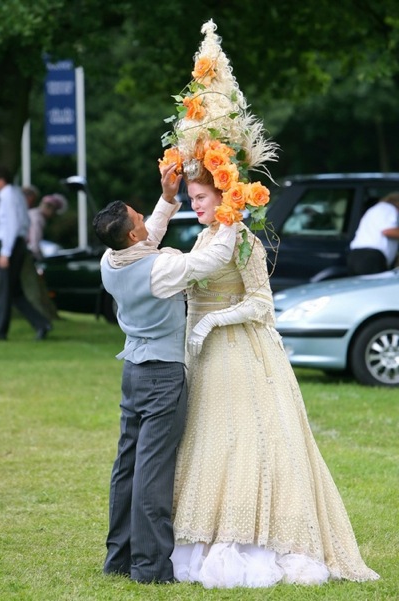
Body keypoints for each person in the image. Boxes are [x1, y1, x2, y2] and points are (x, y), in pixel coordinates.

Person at [158, 20, 380, 588]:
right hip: (203, 356)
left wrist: (213, 323)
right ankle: (202, 536)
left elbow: (261, 303)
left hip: (241, 351)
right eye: (194, 197)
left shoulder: (244, 238)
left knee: (246, 442)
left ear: (223, 192)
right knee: (208, 442)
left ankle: (257, 538)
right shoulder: (205, 237)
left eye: (202, 197)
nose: (197, 205)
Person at [92, 162, 237, 583]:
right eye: (139, 218)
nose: (144, 219)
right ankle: (151, 568)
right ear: (133, 233)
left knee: (127, 469)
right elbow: (212, 259)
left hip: (133, 374)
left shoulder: (111, 259)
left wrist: (168, 198)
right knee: (152, 474)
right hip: (160, 377)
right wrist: (231, 212)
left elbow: (147, 239)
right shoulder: (162, 270)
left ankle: (118, 558)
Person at [0, 166, 52, 341]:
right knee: (14, 292)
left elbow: (11, 225)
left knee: (4, 289)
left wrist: (5, 252)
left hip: (10, 244)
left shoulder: (7, 196)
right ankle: (42, 324)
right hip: (17, 243)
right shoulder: (15, 193)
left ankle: (1, 330)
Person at [347, 192, 399, 275]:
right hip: (371, 257)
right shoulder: (388, 208)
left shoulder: (376, 210)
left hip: (358, 256)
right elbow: (388, 231)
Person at [28, 193, 68, 260]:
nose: (53, 215)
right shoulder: (38, 219)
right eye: (54, 211)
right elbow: (35, 241)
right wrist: (39, 258)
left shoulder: (33, 213)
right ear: (49, 208)